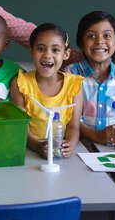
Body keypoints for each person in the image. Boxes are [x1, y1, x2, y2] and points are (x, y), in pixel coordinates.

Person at [66, 11, 115, 146]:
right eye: (91, 36)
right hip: (80, 147)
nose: (99, 41)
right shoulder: (70, 74)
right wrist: (96, 135)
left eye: (107, 35)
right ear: (81, 44)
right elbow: (68, 118)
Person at [10, 23, 83, 159]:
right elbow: (21, 126)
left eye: (55, 50)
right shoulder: (21, 83)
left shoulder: (74, 84)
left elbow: (74, 125)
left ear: (66, 54)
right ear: (31, 51)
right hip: (29, 152)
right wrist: (37, 146)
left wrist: (71, 144)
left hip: (60, 152)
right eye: (41, 49)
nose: (47, 55)